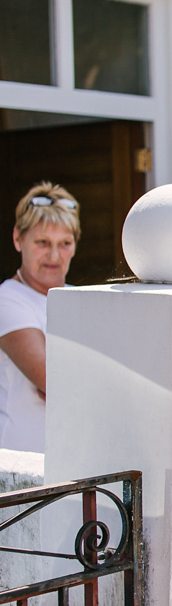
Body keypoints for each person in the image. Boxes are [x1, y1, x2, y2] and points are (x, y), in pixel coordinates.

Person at [0, 183, 80, 453]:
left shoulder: (81, 299)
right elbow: (52, 379)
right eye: (43, 242)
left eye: (65, 243)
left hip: (76, 465)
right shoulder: (7, 299)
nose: (55, 255)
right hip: (23, 473)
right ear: (17, 239)